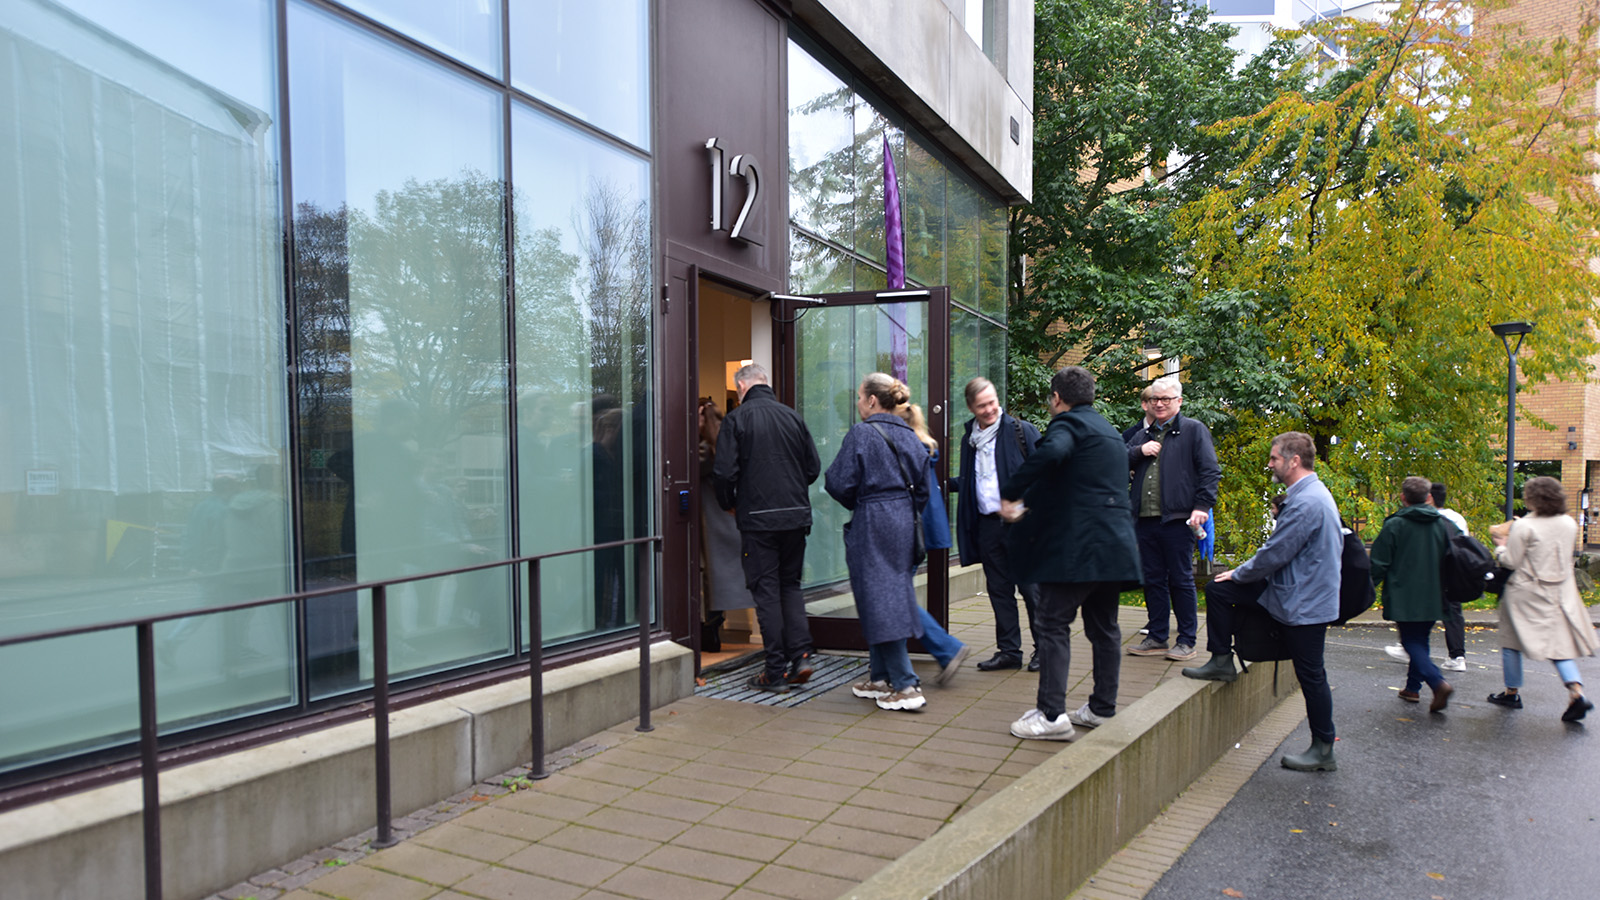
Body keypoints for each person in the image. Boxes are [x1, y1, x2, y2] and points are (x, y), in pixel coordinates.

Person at [1182, 432, 1342, 772]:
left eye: (1274, 458)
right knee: (1220, 591)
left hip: (1304, 602)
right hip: (1302, 594)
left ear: (1294, 461)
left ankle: (1323, 748)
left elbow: (1275, 553)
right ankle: (1221, 660)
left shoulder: (1306, 502)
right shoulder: (1311, 494)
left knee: (1311, 675)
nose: (1269, 464)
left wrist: (1238, 573)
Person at [999, 366, 1141, 740]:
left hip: (1079, 549)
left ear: (1057, 398)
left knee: (1051, 623)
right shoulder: (1108, 431)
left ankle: (1051, 716)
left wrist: (1011, 492)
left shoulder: (1068, 425)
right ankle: (1102, 708)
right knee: (1105, 628)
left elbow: (1052, 453)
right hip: (1114, 546)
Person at [825, 373, 934, 711]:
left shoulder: (862, 433)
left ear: (872, 400)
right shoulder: (910, 435)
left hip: (873, 521)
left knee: (881, 600)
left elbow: (838, 482)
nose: (858, 403)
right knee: (886, 595)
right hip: (903, 521)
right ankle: (880, 677)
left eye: (860, 397)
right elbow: (923, 491)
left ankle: (905, 684)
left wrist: (864, 502)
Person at [713, 364, 823, 692]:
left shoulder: (736, 419)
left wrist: (728, 503)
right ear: (765, 383)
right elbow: (813, 468)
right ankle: (801, 656)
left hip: (758, 520)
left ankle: (774, 672)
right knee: (790, 586)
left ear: (741, 387)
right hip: (795, 518)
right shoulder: (793, 417)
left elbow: (724, 473)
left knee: (767, 592)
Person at [1123, 376, 1220, 662]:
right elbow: (1117, 459)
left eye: (1165, 399)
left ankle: (1187, 640)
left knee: (1181, 579)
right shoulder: (1144, 434)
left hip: (1178, 519)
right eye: (1155, 399)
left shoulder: (1193, 430)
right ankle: (1156, 636)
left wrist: (1202, 506)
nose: (1159, 404)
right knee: (1152, 579)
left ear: (1179, 401)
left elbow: (1210, 471)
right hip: (1145, 519)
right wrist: (1139, 451)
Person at [1486, 476, 1598, 721]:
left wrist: (1500, 547)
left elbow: (1511, 561)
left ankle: (1511, 692)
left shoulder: (1525, 526)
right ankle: (1576, 691)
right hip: (1559, 590)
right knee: (1558, 645)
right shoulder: (1568, 523)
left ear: (1532, 498)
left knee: (1511, 640)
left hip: (1525, 591)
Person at [952, 377, 1044, 672]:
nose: (990, 409)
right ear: (971, 408)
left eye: (992, 402)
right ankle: (1009, 651)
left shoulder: (1021, 430)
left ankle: (1045, 650)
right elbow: (973, 479)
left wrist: (1025, 505)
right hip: (988, 525)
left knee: (1031, 590)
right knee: (999, 591)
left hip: (1022, 524)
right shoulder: (969, 439)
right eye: (982, 406)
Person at [1369, 476, 1455, 712]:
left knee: (1410, 641)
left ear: (1403, 497)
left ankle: (1437, 682)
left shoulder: (1395, 525)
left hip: (1404, 594)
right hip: (1435, 593)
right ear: (1428, 497)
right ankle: (1412, 688)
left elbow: (1379, 563)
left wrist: (1366, 588)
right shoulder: (1444, 524)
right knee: (1421, 640)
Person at [1383, 481, 1468, 671]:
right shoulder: (1455, 519)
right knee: (1453, 616)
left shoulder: (1421, 519)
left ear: (1429, 498)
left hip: (1424, 580)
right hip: (1450, 577)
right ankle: (1457, 655)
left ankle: (1427, 671)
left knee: (1415, 628)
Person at [697, 398, 754, 653]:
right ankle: (714, 628)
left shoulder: (703, 451)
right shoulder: (732, 445)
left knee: (713, 576)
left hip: (713, 523)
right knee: (728, 575)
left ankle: (710, 631)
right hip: (732, 520)